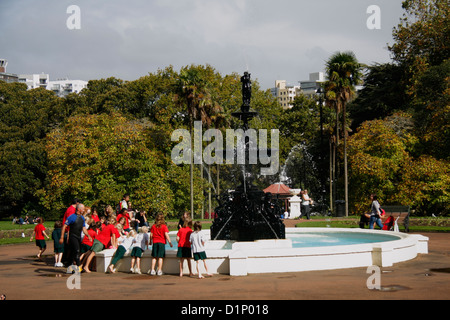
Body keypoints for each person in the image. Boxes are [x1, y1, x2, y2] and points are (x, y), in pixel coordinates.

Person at [59, 204, 92, 273]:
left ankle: (70, 268)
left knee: (73, 253)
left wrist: (88, 235)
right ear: (79, 209)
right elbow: (64, 226)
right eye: (83, 209)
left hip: (78, 237)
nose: (83, 210)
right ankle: (79, 267)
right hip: (72, 236)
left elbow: (83, 228)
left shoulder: (82, 218)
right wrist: (62, 237)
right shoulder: (71, 217)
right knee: (77, 251)